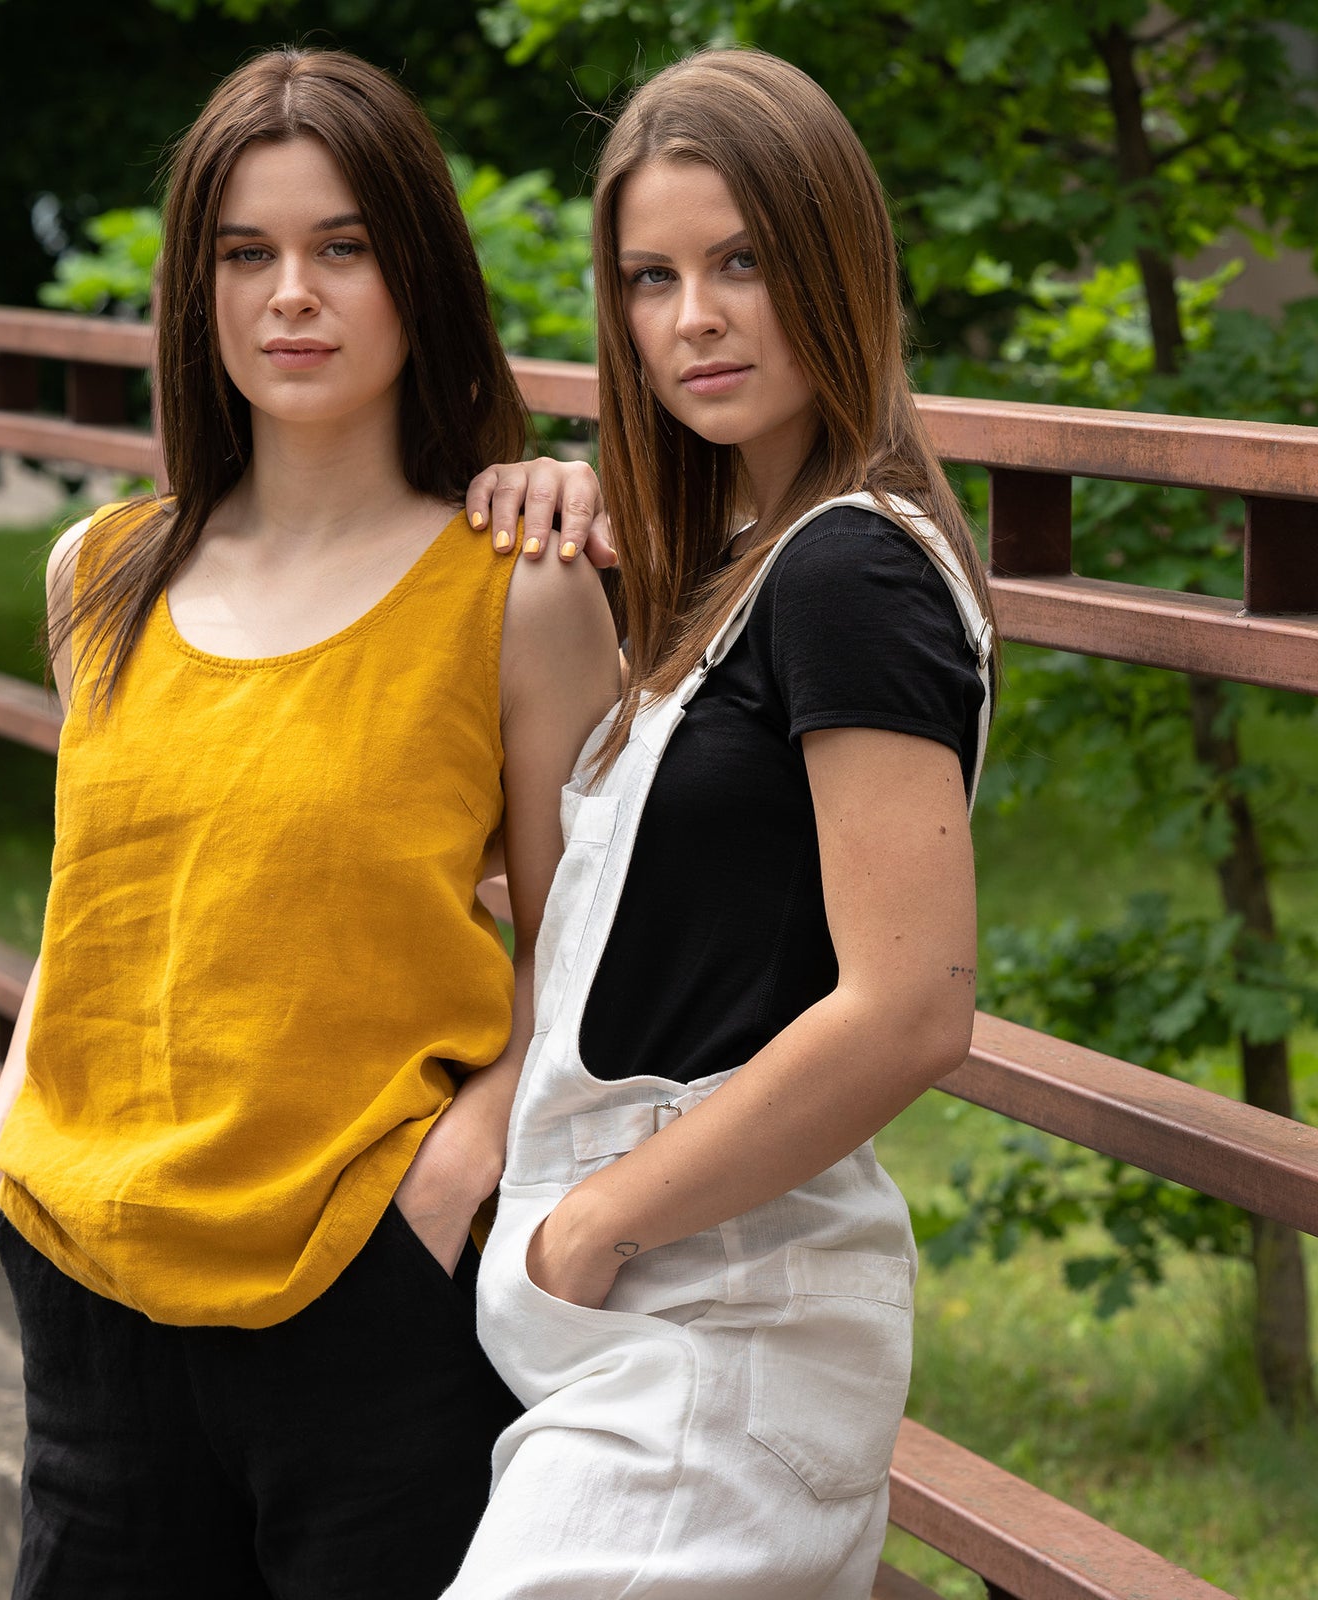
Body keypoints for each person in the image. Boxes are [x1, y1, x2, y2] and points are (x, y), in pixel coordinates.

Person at [0, 47, 620, 1600]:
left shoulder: (519, 591)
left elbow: (588, 946)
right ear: (195, 289)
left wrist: (453, 1176)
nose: (293, 296)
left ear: (418, 274)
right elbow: (99, 891)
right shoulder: (97, 574)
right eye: (244, 254)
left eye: (342, 247)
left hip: (366, 1289)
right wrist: (6, 1124)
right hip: (90, 1269)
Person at [447, 48, 998, 1599]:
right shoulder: (747, 561)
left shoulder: (849, 571)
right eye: (653, 277)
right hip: (658, 1320)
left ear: (836, 262)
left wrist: (594, 1229)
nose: (694, 317)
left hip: (721, 1321)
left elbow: (912, 1010)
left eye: (743, 262)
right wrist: (567, 507)